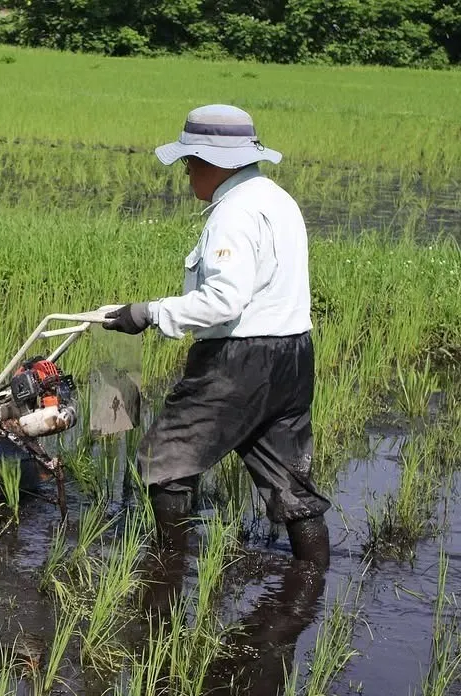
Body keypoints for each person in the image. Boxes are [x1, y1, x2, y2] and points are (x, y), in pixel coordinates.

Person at [102, 104, 331, 567]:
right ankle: (312, 582)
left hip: (238, 361)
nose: (187, 175)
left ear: (210, 163)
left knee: (164, 462)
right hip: (293, 356)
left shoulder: (233, 215)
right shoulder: (279, 200)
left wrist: (148, 313)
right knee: (290, 483)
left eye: (189, 164)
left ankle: (165, 574)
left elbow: (223, 301)